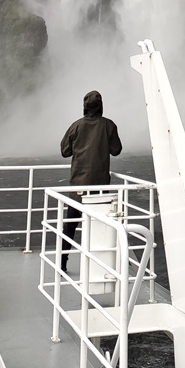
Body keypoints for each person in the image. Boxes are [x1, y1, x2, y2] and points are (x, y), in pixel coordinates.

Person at [59, 89, 122, 273]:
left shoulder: (76, 126)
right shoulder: (109, 125)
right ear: (101, 106)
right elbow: (116, 149)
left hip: (79, 186)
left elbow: (65, 151)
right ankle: (111, 262)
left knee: (70, 226)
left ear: (84, 107)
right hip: (100, 187)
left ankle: (63, 262)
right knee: (105, 224)